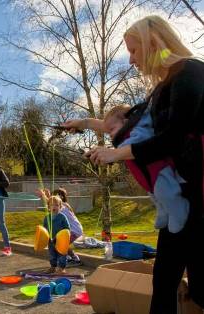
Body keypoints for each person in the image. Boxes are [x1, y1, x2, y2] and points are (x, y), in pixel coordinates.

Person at [63, 15, 204, 313]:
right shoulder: (159, 91)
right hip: (183, 197)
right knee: (164, 280)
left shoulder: (191, 72)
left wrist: (116, 154)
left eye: (134, 50)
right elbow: (123, 125)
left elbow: (173, 139)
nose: (130, 60)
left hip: (199, 198)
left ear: (152, 42)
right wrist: (85, 123)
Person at [104, 104, 190, 233]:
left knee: (165, 193)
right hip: (146, 175)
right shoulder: (123, 136)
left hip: (157, 170)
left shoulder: (138, 129)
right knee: (154, 194)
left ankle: (178, 209)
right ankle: (163, 212)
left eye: (112, 129)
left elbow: (139, 140)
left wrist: (116, 153)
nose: (110, 134)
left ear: (126, 122)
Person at [52, 188, 83, 263]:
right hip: (74, 229)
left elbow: (51, 204)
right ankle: (69, 257)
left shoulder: (63, 205)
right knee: (61, 243)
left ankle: (75, 259)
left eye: (55, 196)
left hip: (75, 230)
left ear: (61, 197)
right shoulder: (63, 205)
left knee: (61, 244)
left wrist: (44, 195)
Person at [43, 195, 70, 274]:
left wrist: (64, 236)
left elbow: (67, 228)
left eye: (56, 205)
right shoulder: (47, 218)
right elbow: (44, 229)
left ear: (60, 207)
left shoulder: (62, 217)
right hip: (50, 240)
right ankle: (53, 267)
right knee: (52, 254)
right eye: (51, 205)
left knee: (62, 254)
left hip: (61, 240)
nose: (54, 207)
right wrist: (45, 237)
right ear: (48, 207)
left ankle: (61, 268)